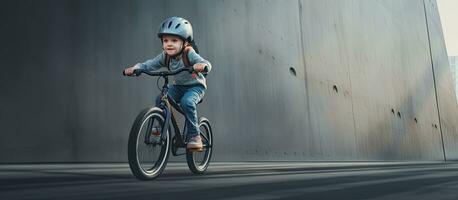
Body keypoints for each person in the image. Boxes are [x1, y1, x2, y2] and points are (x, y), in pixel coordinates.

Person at [124, 16, 212, 151]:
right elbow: (149, 64)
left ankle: (195, 136)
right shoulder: (165, 56)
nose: (169, 44)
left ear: (185, 42)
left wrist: (202, 66)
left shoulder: (189, 53)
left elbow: (206, 64)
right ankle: (158, 129)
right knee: (161, 99)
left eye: (174, 40)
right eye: (165, 41)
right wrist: (137, 68)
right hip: (178, 87)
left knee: (187, 102)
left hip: (195, 87)